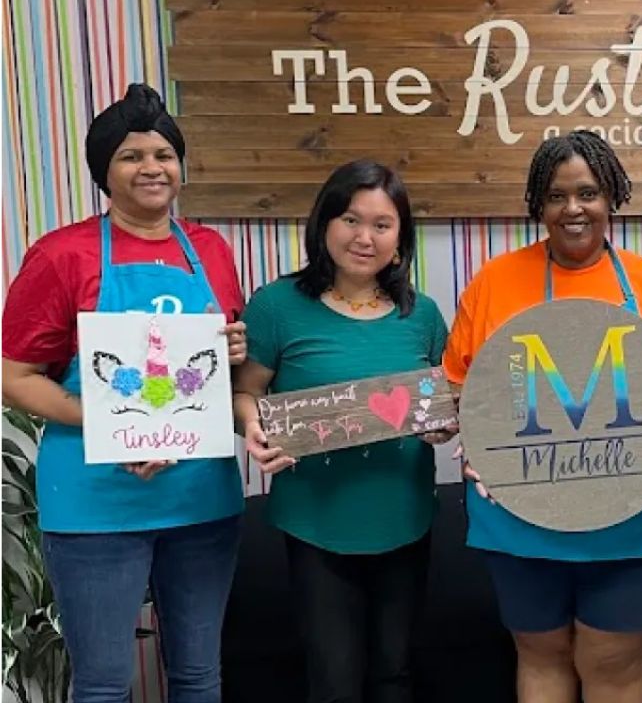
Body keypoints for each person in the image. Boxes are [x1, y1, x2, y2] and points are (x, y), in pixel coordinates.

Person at [0, 83, 248, 703]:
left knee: (199, 676)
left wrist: (232, 350)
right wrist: (118, 427)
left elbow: (216, 371)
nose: (151, 168)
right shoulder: (62, 255)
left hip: (200, 498)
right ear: (103, 172)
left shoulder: (211, 251)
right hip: (95, 502)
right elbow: (14, 375)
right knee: (104, 683)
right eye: (131, 156)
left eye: (164, 154)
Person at [442, 131, 642, 703]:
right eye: (556, 196)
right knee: (541, 653)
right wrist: (472, 442)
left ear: (611, 198)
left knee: (615, 660)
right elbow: (460, 389)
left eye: (588, 193)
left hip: (632, 512)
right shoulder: (495, 281)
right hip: (519, 509)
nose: (573, 209)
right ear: (539, 202)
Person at [230, 160, 449, 703]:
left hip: (404, 517)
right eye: (351, 219)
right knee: (334, 682)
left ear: (399, 239)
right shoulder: (277, 306)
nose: (364, 237)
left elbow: (443, 401)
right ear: (324, 224)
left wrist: (445, 426)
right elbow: (245, 392)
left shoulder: (422, 315)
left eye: (382, 224)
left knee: (396, 675)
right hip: (316, 522)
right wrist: (253, 427)